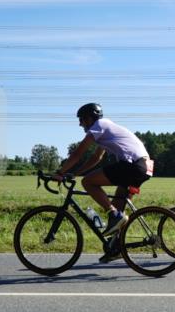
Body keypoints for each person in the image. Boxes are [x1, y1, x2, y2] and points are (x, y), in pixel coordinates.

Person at [54, 103, 153, 249]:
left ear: (89, 118)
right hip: (144, 167)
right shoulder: (106, 129)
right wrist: (75, 173)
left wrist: (60, 173)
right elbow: (96, 158)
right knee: (118, 213)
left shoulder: (100, 124)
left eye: (81, 119)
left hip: (133, 166)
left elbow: (77, 154)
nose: (80, 124)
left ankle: (113, 214)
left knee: (88, 183)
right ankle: (116, 248)